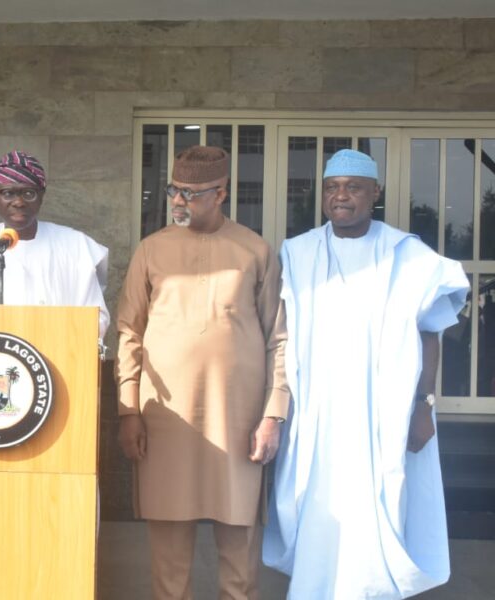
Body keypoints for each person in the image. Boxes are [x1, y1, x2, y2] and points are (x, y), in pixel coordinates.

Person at [263, 149, 470, 599]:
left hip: (385, 412)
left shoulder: (408, 255)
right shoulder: (296, 253)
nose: (341, 197)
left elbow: (430, 333)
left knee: (377, 511)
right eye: (332, 188)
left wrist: (423, 406)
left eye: (353, 187)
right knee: (316, 509)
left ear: (374, 193)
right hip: (316, 411)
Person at [115, 146, 288, 600]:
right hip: (167, 420)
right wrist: (127, 410)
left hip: (238, 420)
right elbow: (128, 331)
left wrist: (273, 414)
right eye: (175, 190)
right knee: (169, 556)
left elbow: (279, 338)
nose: (178, 201)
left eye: (191, 194)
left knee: (239, 550)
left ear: (222, 192)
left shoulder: (254, 250)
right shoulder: (151, 250)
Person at [0, 150, 110, 340]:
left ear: (42, 195)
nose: (18, 202)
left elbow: (95, 320)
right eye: (8, 193)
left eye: (28, 193)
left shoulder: (76, 249)